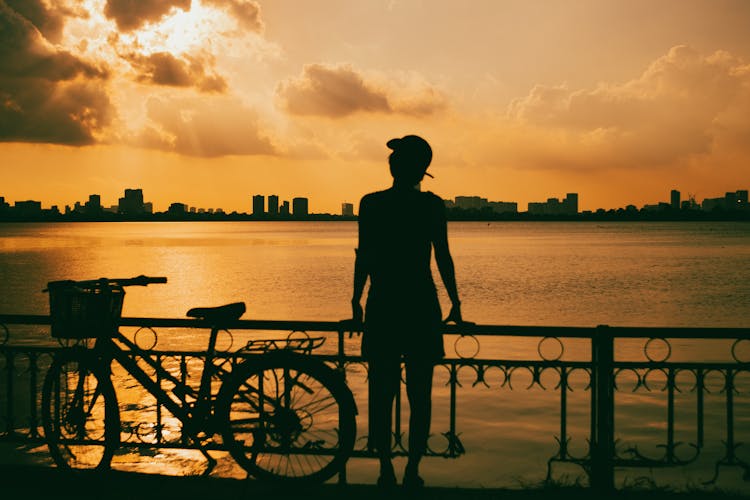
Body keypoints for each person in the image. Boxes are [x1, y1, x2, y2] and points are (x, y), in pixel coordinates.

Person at [351, 134, 462, 490]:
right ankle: (412, 470)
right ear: (422, 170)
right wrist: (456, 303)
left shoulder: (371, 204)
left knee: (381, 393)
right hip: (420, 306)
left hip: (383, 305)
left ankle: (385, 467)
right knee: (420, 394)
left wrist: (355, 301)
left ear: (395, 167)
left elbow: (364, 256)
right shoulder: (431, 206)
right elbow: (442, 256)